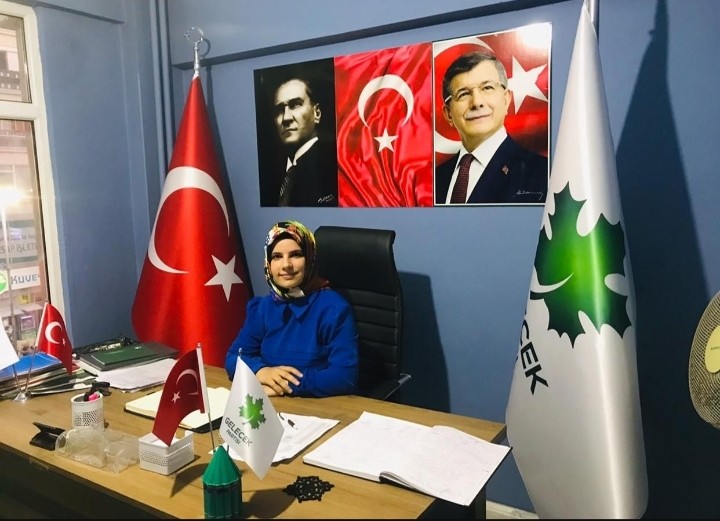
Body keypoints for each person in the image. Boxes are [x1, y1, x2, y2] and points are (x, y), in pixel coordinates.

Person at [225, 220, 358, 397]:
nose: (286, 265)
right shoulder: (262, 308)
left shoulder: (334, 309)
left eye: (296, 255)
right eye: (277, 256)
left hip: (318, 405)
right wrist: (260, 371)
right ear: (268, 263)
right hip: (269, 402)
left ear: (310, 259)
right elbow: (233, 357)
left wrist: (286, 384)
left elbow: (344, 378)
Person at [435, 50, 548, 205]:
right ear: (448, 114)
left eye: (487, 88)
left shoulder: (543, 173)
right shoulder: (435, 178)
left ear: (506, 99)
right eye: (463, 94)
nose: (477, 102)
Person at [270, 76, 338, 207]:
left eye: (295, 105)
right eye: (279, 110)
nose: (286, 118)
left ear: (316, 113)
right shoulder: (273, 177)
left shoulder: (333, 168)